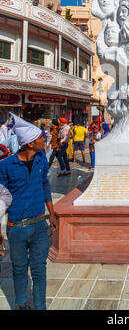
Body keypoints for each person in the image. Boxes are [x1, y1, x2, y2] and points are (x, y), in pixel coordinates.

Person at [0, 113, 57, 310]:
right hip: (17, 228)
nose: (45, 139)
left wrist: (52, 213)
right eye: (41, 137)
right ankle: (22, 305)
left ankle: (40, 307)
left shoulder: (41, 158)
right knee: (19, 269)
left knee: (39, 270)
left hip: (40, 225)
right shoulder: (6, 166)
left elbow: (45, 186)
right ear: (30, 143)